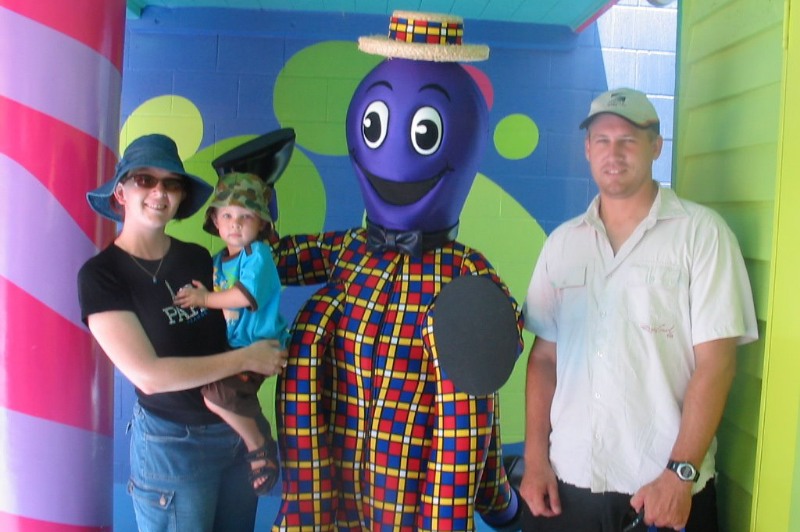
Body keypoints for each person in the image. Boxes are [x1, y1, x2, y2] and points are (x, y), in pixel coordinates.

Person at [519, 88, 758, 531]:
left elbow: (717, 364)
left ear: (656, 146)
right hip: (568, 484)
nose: (614, 154)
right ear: (587, 149)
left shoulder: (702, 235)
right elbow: (544, 358)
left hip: (663, 490)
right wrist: (535, 460)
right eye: (603, 140)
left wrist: (680, 474)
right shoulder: (563, 244)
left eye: (628, 140)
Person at [77, 134, 288, 531]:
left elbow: (234, 318)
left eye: (171, 183)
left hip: (234, 434)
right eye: (145, 180)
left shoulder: (196, 257)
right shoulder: (102, 276)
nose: (159, 192)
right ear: (121, 192)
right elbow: (149, 376)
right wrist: (248, 358)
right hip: (172, 447)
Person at [173, 171, 289, 496]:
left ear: (261, 223)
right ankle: (254, 427)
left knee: (218, 395)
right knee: (213, 387)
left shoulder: (257, 255)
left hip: (259, 346)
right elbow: (216, 297)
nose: (235, 224)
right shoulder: (218, 261)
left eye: (245, 216)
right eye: (227, 215)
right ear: (215, 220)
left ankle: (258, 444)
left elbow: (242, 296)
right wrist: (202, 294)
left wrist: (205, 299)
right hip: (234, 346)